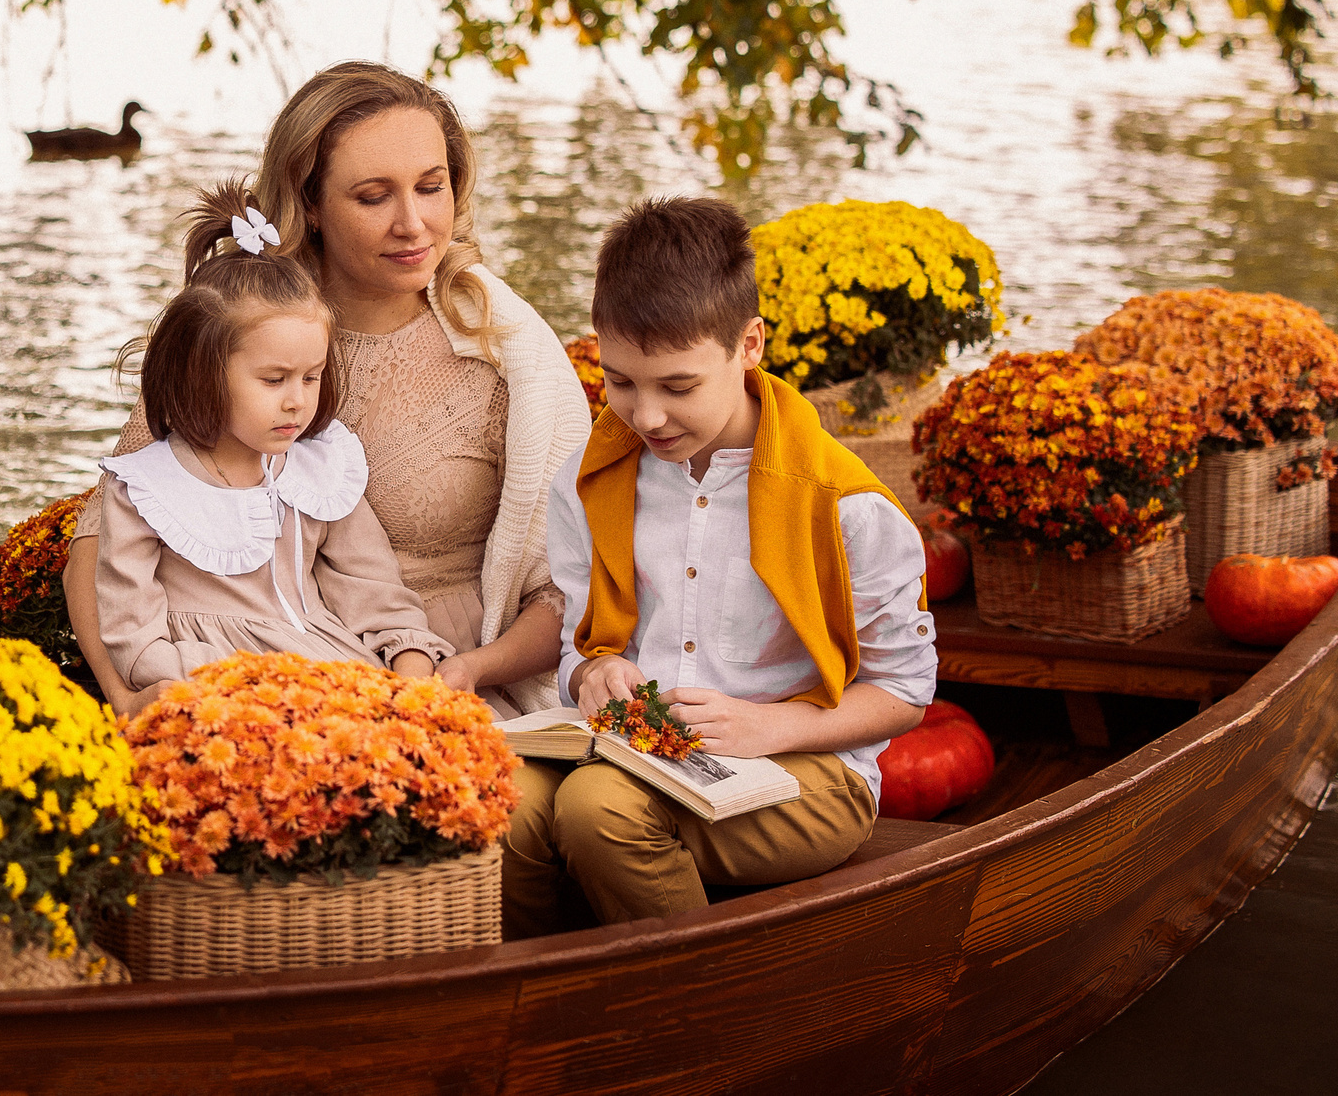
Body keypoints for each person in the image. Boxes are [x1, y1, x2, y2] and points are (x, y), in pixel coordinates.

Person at [64, 62, 585, 716]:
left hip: (458, 676)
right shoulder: (246, 328)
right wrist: (130, 698)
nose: (414, 223)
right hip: (239, 675)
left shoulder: (506, 353)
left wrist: (463, 671)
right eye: (373, 196)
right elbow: (101, 538)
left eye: (432, 186)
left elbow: (566, 588)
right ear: (309, 203)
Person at [501, 196, 936, 934]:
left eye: (678, 386)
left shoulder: (844, 506)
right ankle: (531, 997)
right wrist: (589, 672)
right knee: (496, 797)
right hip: (633, 755)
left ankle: (690, 1017)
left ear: (749, 344)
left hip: (808, 771)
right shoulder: (592, 479)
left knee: (598, 809)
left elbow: (905, 690)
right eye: (623, 382)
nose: (646, 417)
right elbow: (585, 634)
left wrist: (767, 725)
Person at [89, 182, 455, 709]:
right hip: (221, 690)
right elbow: (133, 639)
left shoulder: (321, 467)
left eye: (311, 377)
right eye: (274, 379)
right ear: (205, 373)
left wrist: (410, 664)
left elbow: (377, 596)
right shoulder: (146, 488)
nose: (297, 402)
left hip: (332, 671)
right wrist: (235, 681)